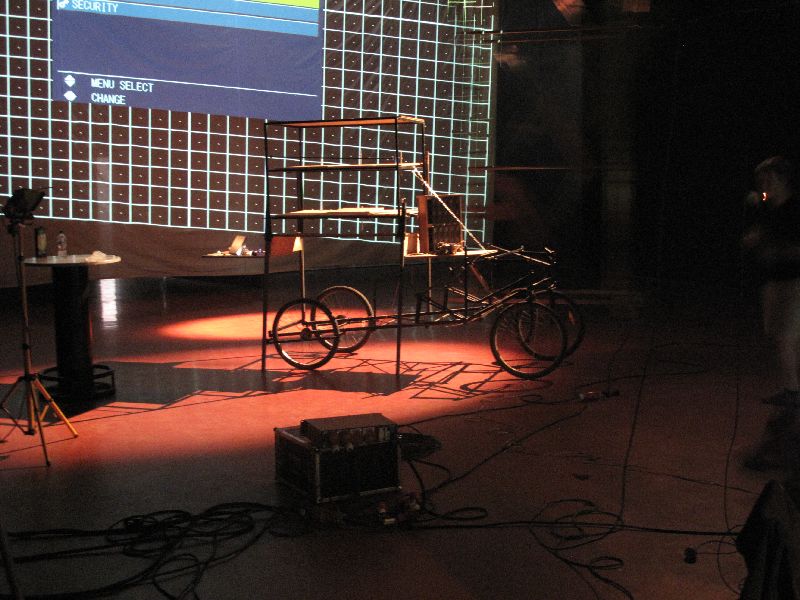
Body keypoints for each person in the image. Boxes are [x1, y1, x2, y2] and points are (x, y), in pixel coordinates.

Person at [742, 156, 800, 472]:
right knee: (780, 335)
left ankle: (793, 392)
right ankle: (790, 388)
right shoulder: (770, 211)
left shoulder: (793, 209)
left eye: (766, 179)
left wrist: (772, 248)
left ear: (780, 179)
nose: (761, 186)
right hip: (774, 281)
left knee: (788, 336)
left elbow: (792, 248)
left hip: (793, 282)